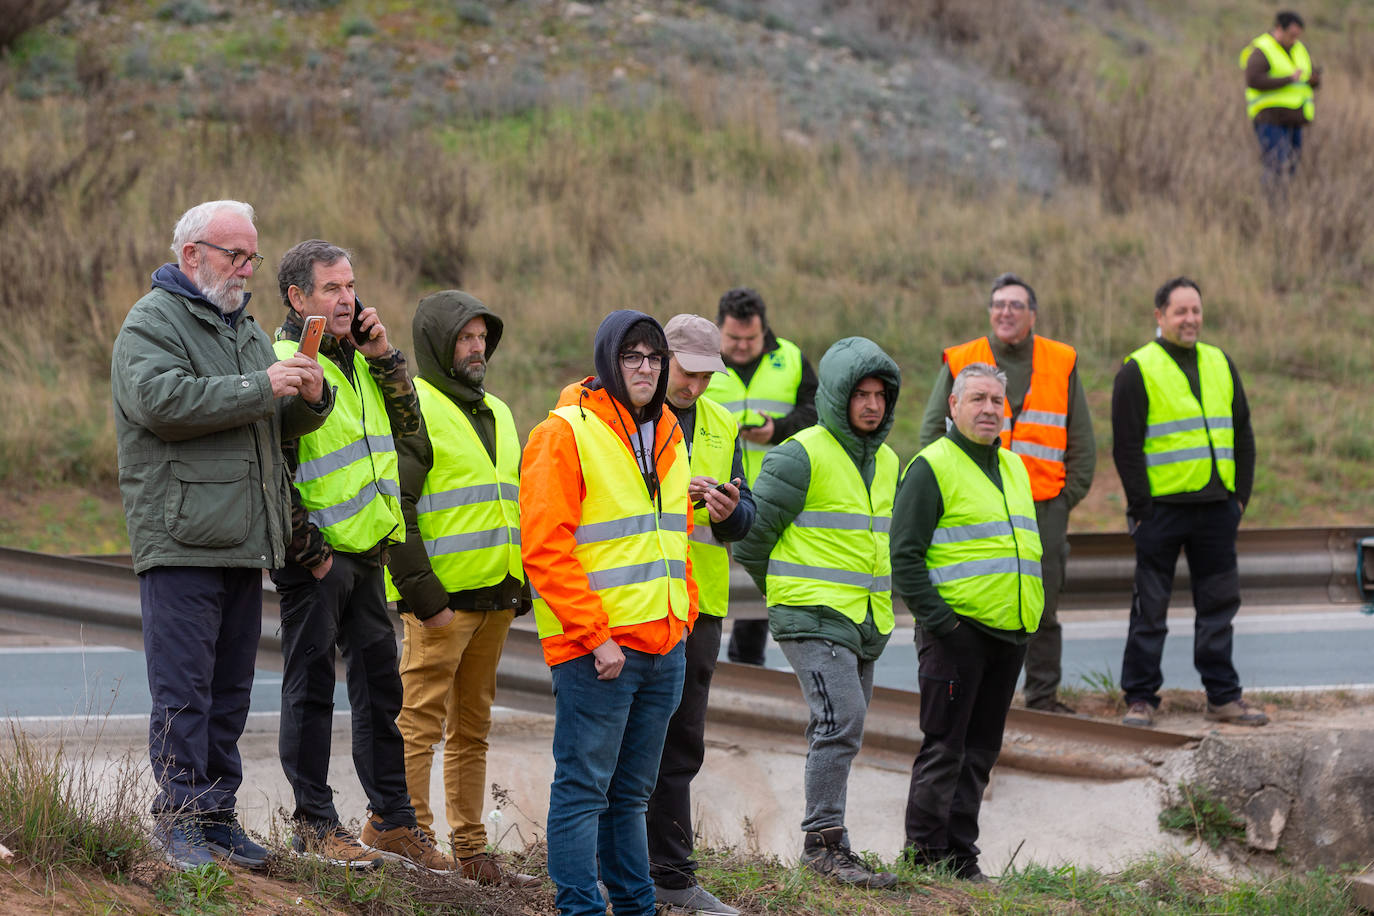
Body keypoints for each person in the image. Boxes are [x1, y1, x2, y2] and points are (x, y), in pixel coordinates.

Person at [112, 200, 330, 870]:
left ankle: (216, 817)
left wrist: (308, 397)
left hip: (242, 539)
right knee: (185, 692)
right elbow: (162, 403)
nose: (245, 269)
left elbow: (270, 423)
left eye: (251, 258)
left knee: (231, 691)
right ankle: (178, 821)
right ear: (191, 255)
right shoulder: (152, 322)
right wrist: (262, 384)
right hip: (181, 539)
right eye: (234, 255)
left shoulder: (246, 328)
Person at [271, 240, 451, 870]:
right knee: (311, 689)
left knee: (381, 692)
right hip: (318, 559)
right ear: (298, 298)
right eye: (331, 289)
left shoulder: (362, 361)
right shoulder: (285, 361)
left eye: (350, 286)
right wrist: (308, 550)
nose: (347, 299)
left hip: (368, 552)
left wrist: (387, 360)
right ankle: (315, 824)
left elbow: (412, 435)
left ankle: (393, 821)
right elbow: (272, 468)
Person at [521, 310, 696, 916]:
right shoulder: (564, 432)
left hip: (662, 647)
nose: (646, 368)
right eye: (632, 357)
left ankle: (636, 907)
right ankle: (579, 909)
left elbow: (675, 536)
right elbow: (545, 549)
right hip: (599, 654)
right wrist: (596, 639)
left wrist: (684, 620)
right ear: (607, 362)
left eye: (654, 358)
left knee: (631, 796)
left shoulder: (670, 432)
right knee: (583, 792)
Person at [383, 290, 539, 886]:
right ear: (438, 344)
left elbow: (509, 503)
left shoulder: (498, 410)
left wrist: (517, 582)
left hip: (496, 599)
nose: (476, 349)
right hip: (442, 606)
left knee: (472, 729)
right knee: (419, 724)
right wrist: (427, 599)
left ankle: (470, 848)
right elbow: (398, 508)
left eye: (482, 339)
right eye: (464, 339)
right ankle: (411, 836)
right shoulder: (415, 408)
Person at [734, 336, 900, 889]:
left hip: (863, 619)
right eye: (861, 394)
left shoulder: (890, 461)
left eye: (880, 394)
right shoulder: (799, 453)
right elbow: (752, 540)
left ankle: (833, 843)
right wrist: (787, 595)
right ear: (836, 396)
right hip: (811, 617)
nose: (872, 404)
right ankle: (823, 846)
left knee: (842, 729)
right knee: (840, 721)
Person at [894, 362, 1045, 884]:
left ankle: (960, 857)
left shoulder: (1015, 468)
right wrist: (944, 624)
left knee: (980, 753)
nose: (988, 409)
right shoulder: (930, 466)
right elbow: (905, 557)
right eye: (977, 398)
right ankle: (922, 858)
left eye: (996, 401)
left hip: (1009, 633)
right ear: (953, 406)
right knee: (944, 749)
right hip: (957, 635)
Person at [918, 273, 1094, 714]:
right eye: (998, 304)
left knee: (1043, 601)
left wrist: (1064, 498)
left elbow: (1083, 440)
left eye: (1016, 305)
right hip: (974, 502)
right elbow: (930, 431)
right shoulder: (963, 359)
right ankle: (981, 693)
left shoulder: (1062, 360)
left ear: (1033, 314)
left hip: (1043, 504)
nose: (1006, 312)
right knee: (979, 597)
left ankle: (1042, 697)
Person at [1112, 277, 1265, 728]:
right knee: (1150, 612)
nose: (1190, 319)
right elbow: (1126, 448)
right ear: (1160, 316)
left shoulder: (1220, 361)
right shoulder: (1137, 368)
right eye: (1180, 311)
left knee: (1219, 608)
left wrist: (1240, 498)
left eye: (1195, 310)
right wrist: (1141, 508)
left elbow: (1243, 434)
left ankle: (1223, 696)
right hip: (1161, 511)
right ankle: (1140, 698)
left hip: (1217, 508)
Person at [647, 314, 756, 916]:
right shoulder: (628, 415)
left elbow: (747, 516)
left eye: (706, 375)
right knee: (630, 742)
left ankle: (671, 875)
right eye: (688, 373)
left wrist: (729, 509)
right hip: (638, 602)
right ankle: (621, 868)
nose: (696, 387)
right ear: (662, 358)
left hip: (701, 606)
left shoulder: (721, 421)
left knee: (683, 743)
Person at [703, 287, 818, 666]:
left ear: (764, 329)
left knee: (756, 589)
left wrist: (778, 429)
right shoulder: (700, 362)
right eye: (733, 338)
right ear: (720, 329)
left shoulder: (792, 358)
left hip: (774, 497)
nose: (740, 346)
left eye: (750, 338)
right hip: (713, 498)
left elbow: (817, 414)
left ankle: (746, 665)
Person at [1240, 10, 1320, 185]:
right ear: (1279, 29)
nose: (1295, 39)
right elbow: (1253, 80)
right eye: (1292, 35)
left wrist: (1313, 80)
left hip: (1294, 118)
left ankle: (1283, 206)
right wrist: (1288, 79)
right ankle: (1271, 207)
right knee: (1275, 164)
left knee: (1291, 166)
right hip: (1269, 118)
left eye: (1298, 35)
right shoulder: (1262, 49)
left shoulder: (1299, 49)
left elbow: (1306, 78)